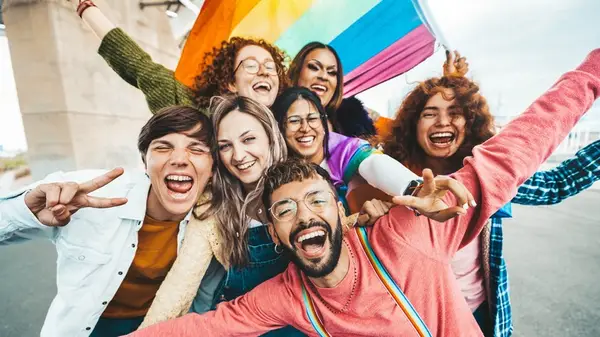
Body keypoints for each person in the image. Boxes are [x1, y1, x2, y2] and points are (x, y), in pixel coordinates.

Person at [126, 48, 600, 337]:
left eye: (315, 201)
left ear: (338, 204)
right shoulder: (286, 295)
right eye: (285, 210)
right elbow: (206, 326)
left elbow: (521, 145)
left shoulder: (414, 227)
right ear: (273, 230)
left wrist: (593, 70)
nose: (304, 216)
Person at [381, 51, 600, 336]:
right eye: (429, 114)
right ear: (413, 125)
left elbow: (557, 183)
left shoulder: (485, 178)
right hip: (416, 323)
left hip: (482, 317)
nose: (442, 122)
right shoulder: (389, 180)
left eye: (456, 113)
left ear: (469, 123)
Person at [0, 106, 215, 337]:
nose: (180, 159)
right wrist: (26, 210)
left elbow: (204, 300)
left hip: (158, 327)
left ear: (213, 168)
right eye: (163, 147)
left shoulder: (215, 222)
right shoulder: (84, 193)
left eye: (196, 149)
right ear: (145, 162)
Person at [74, 0, 288, 113]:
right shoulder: (191, 110)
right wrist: (84, 5)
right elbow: (136, 63)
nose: (263, 71)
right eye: (250, 65)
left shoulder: (289, 122)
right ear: (230, 82)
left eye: (270, 67)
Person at [272, 87, 421, 214]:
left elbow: (373, 163)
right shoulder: (275, 167)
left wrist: (415, 189)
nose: (305, 128)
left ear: (324, 123)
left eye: (312, 119)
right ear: (279, 127)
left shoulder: (347, 149)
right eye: (294, 121)